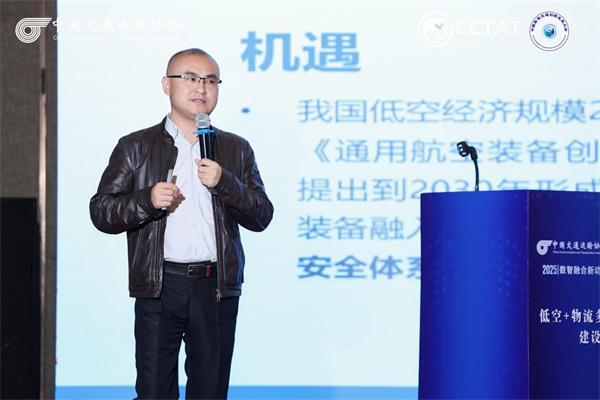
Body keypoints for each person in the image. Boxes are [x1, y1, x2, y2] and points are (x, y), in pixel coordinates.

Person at [90, 48, 274, 400]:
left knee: (210, 391)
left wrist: (225, 183)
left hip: (215, 288)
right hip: (160, 285)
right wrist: (147, 200)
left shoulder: (236, 149)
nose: (201, 88)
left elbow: (261, 215)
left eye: (210, 81)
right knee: (154, 391)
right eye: (190, 78)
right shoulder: (135, 147)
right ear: (166, 85)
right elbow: (101, 211)